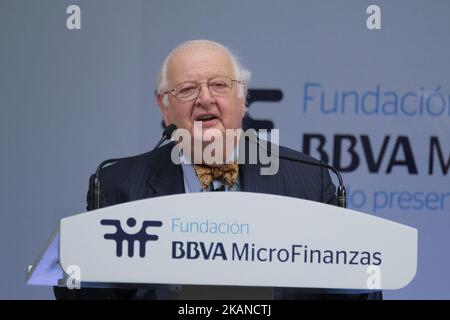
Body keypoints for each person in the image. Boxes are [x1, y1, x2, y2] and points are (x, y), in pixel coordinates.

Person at [54, 39, 381, 300]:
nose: (205, 99)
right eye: (187, 89)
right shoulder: (117, 185)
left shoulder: (308, 180)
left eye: (219, 85)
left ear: (242, 99)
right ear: (164, 107)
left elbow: (349, 289)